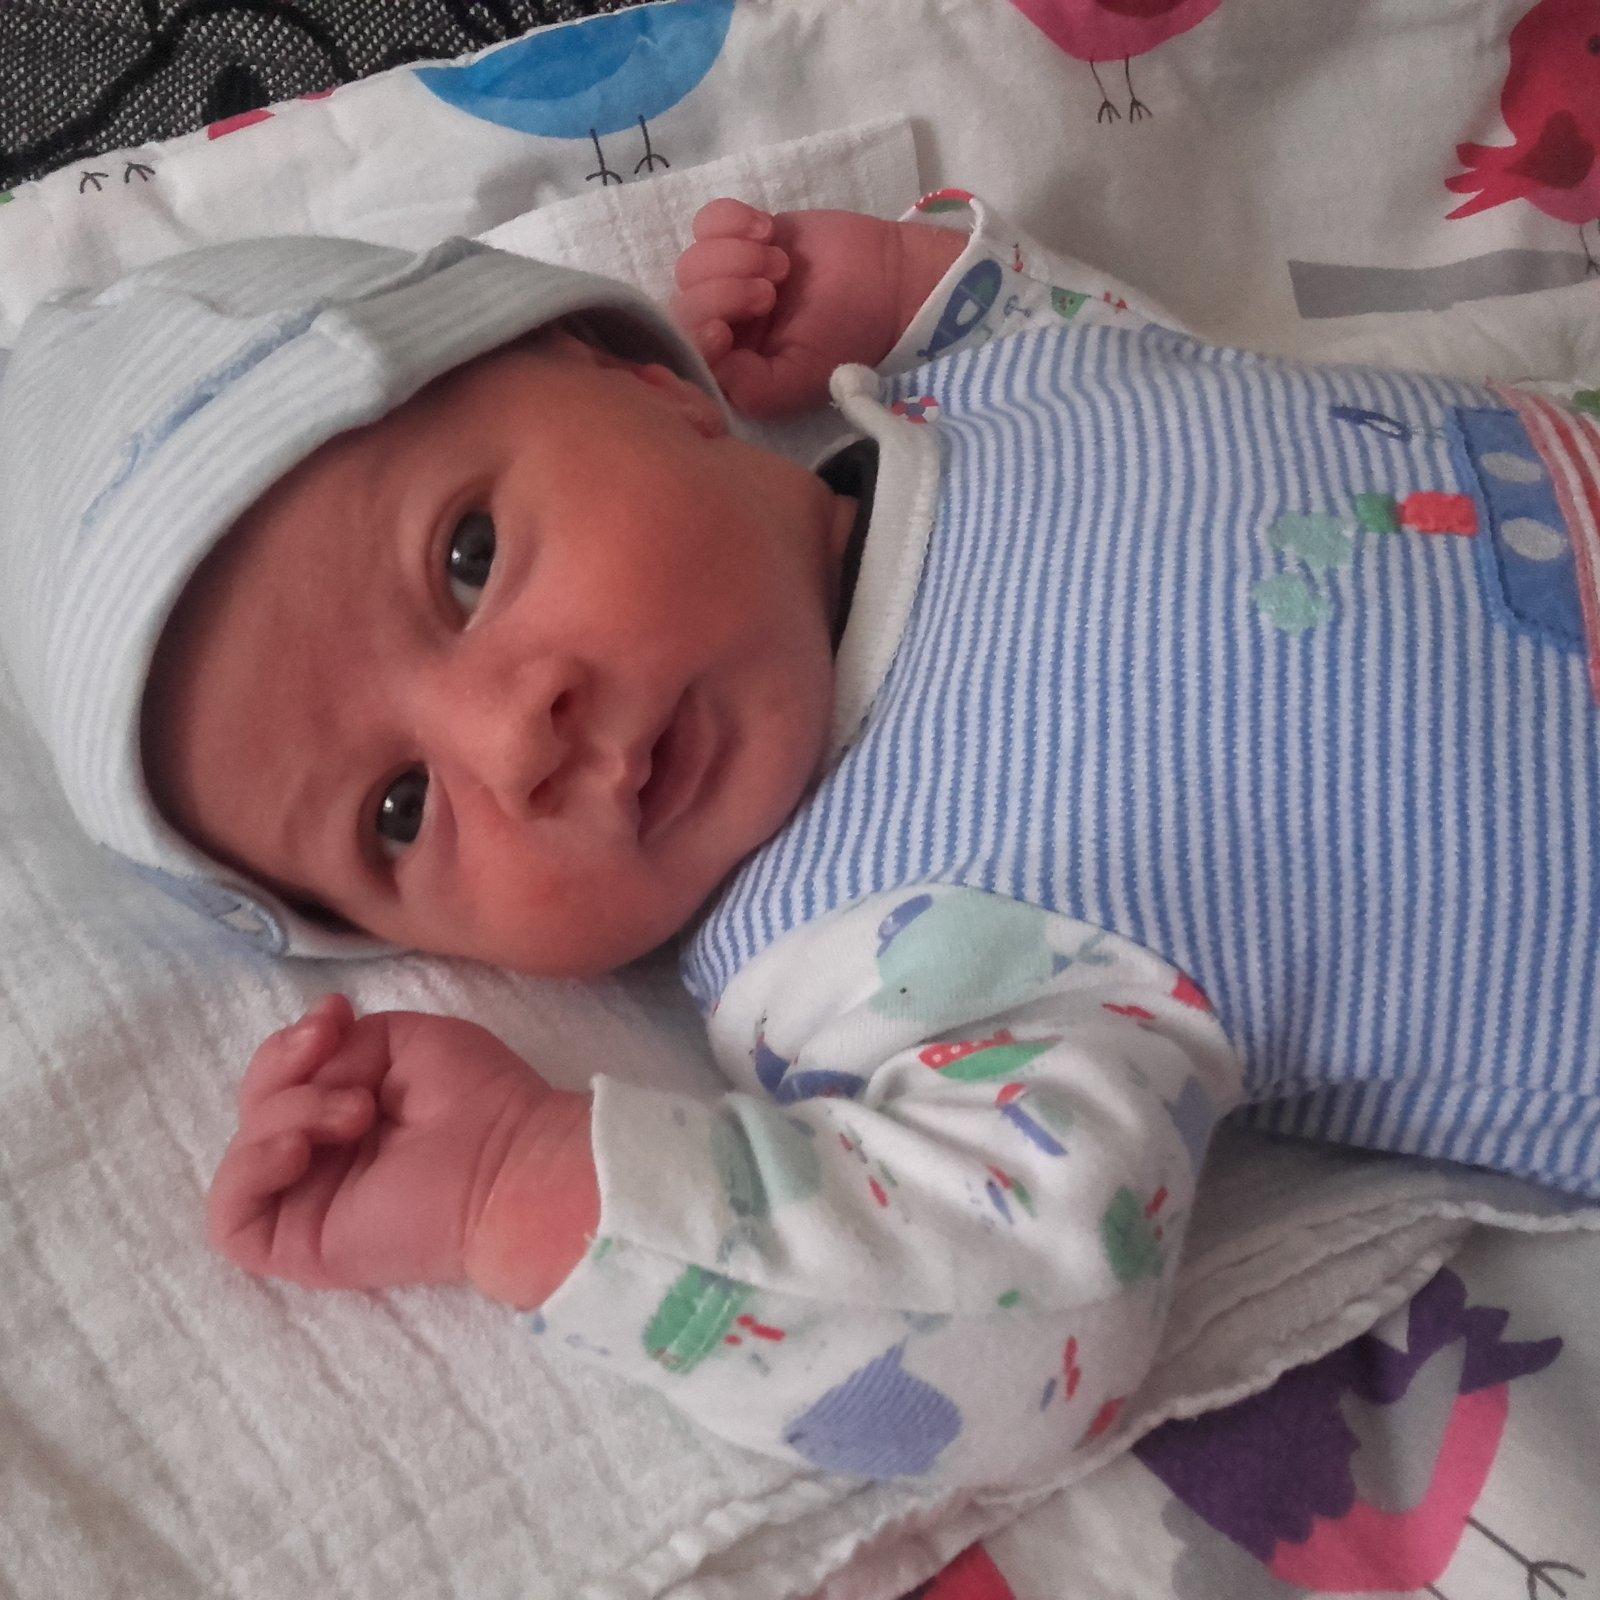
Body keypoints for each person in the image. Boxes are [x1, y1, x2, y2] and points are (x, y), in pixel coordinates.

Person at [1, 189, 1596, 1487]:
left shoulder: (971, 392)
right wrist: (518, 1186)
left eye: (469, 559)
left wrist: (919, 286)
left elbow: (1164, 373)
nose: (510, 739)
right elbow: (1013, 1317)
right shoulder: (885, 942)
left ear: (639, 384)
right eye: (398, 812)